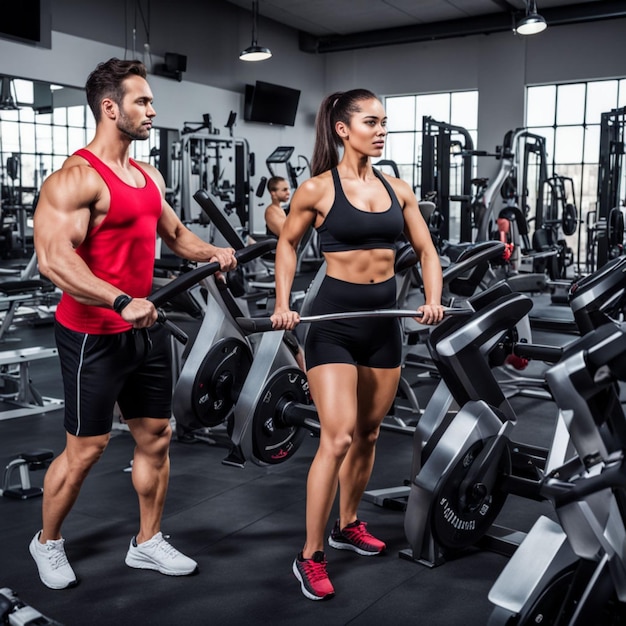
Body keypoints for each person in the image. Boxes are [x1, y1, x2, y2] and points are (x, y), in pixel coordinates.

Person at [29, 57, 237, 590]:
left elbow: (175, 235)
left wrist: (212, 250)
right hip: (91, 336)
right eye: (142, 101)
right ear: (109, 107)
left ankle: (146, 543)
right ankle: (47, 541)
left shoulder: (147, 175)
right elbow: (55, 258)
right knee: (87, 450)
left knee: (157, 438)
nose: (152, 111)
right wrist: (121, 300)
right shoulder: (74, 179)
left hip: (144, 332)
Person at [270, 89, 444, 601]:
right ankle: (310, 554)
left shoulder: (398, 188)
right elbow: (287, 244)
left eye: (385, 121)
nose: (382, 128)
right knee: (338, 436)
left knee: (369, 433)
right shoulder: (318, 190)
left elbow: (426, 249)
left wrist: (432, 299)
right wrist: (283, 304)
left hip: (383, 325)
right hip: (332, 323)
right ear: (344, 129)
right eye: (372, 121)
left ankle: (348, 524)